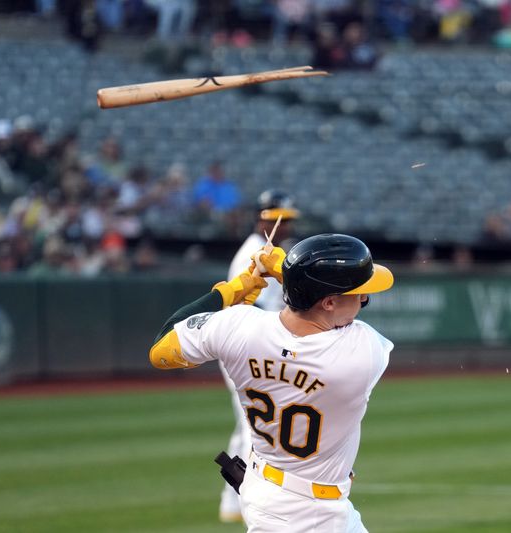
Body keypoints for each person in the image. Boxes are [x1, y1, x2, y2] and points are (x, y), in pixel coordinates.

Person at [149, 233, 394, 532]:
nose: (364, 298)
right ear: (329, 302)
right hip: (307, 514)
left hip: (268, 489)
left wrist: (233, 290)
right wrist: (280, 266)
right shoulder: (361, 351)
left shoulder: (239, 326)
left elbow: (162, 349)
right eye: (358, 293)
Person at [218, 189, 301, 523]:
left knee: (248, 425)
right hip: (246, 345)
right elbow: (260, 308)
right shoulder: (254, 253)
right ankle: (247, 497)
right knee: (255, 425)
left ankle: (232, 501)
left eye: (289, 220)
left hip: (248, 343)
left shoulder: (266, 250)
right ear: (265, 219)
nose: (287, 226)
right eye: (281, 219)